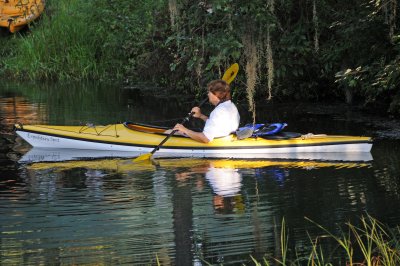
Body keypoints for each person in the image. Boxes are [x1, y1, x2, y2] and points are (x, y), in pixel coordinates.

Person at [173, 79, 240, 143]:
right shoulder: (231, 105)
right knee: (174, 131)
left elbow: (206, 138)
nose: (208, 94)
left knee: (172, 132)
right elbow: (217, 124)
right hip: (226, 139)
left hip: (216, 142)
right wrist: (201, 116)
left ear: (216, 94)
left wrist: (185, 130)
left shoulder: (218, 112)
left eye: (209, 92)